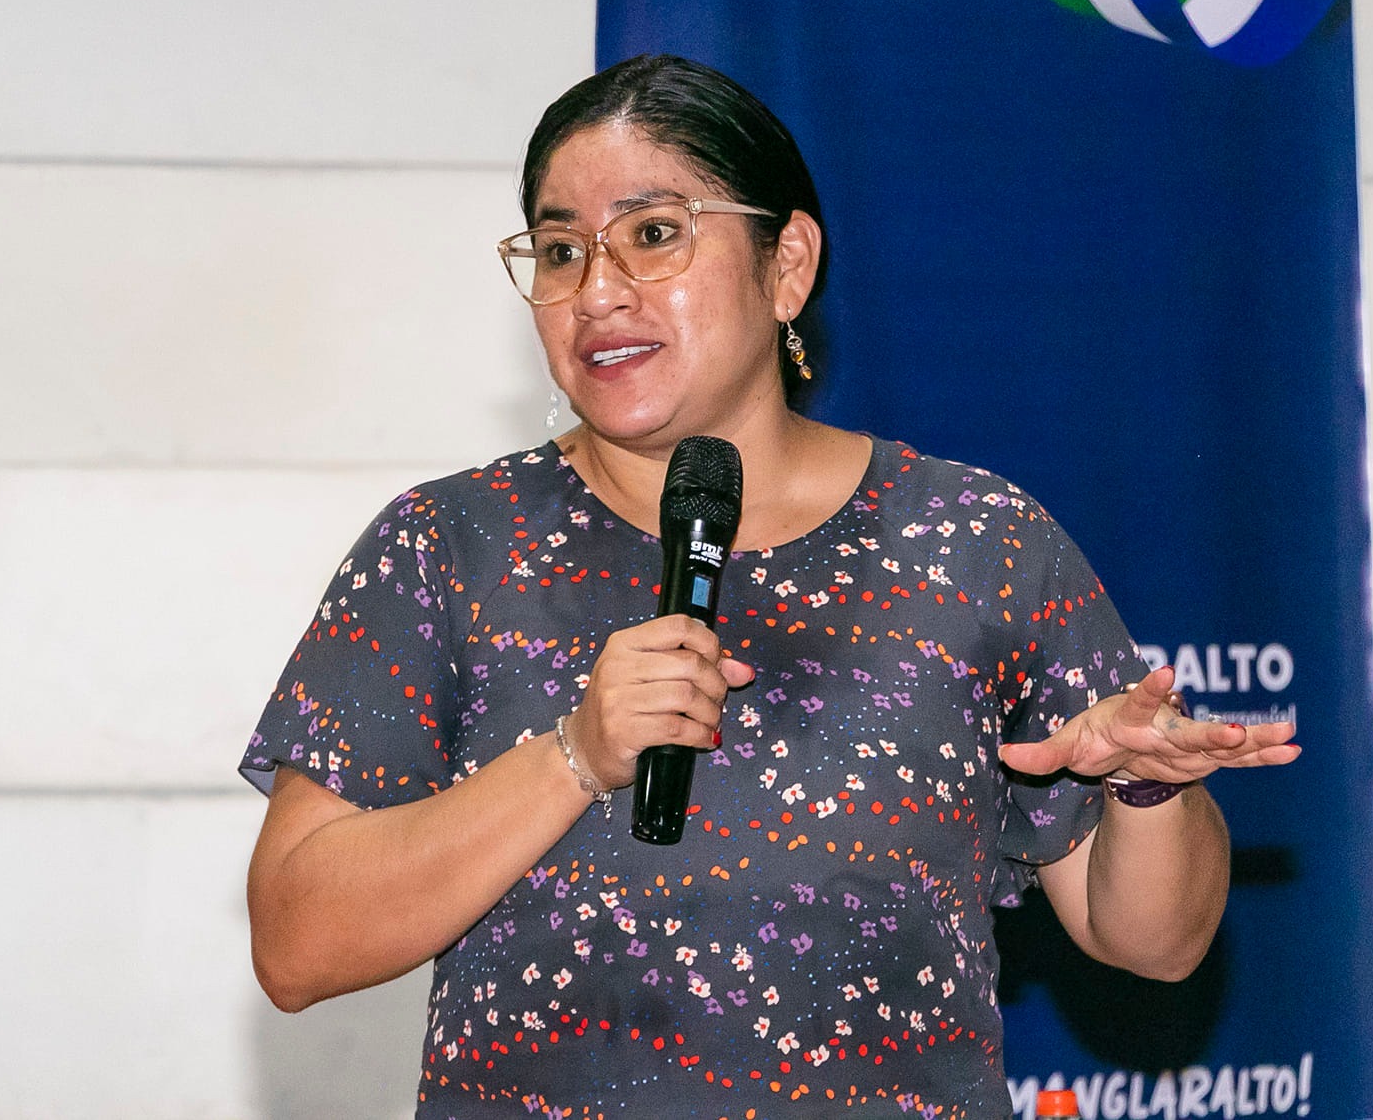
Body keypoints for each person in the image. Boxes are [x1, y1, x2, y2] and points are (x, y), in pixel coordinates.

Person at [241, 55, 1299, 1119]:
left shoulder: (975, 544)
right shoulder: (451, 547)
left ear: (785, 264)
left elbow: (1157, 943)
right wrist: (573, 757)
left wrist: (1144, 789)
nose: (597, 291)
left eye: (654, 233)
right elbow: (296, 942)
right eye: (561, 251)